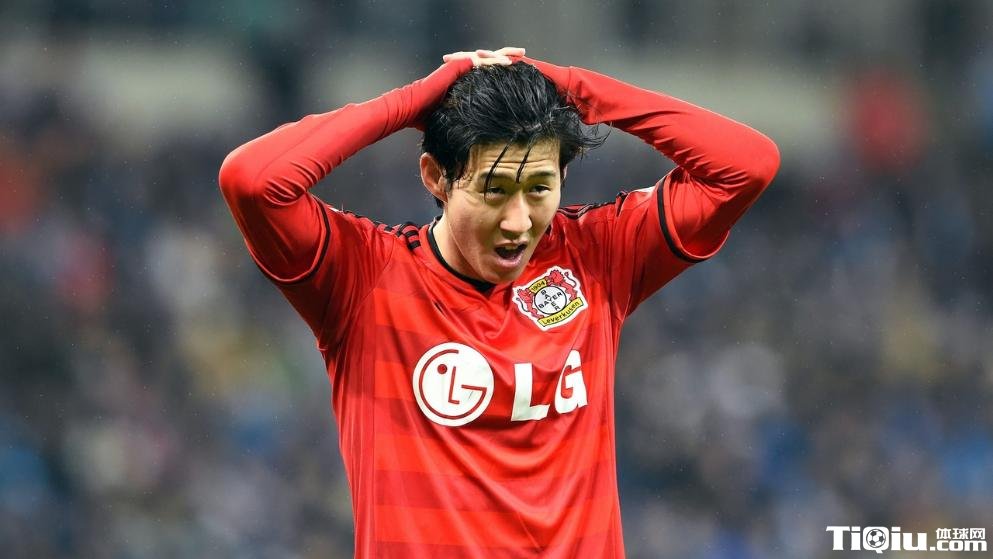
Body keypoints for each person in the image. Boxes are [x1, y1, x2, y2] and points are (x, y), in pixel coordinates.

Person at [218, 46, 779, 558]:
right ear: (436, 177)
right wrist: (416, 100)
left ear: (563, 177)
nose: (518, 221)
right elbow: (252, 180)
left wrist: (572, 87)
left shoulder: (598, 256)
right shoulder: (361, 278)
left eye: (539, 189)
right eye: (494, 190)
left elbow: (746, 165)